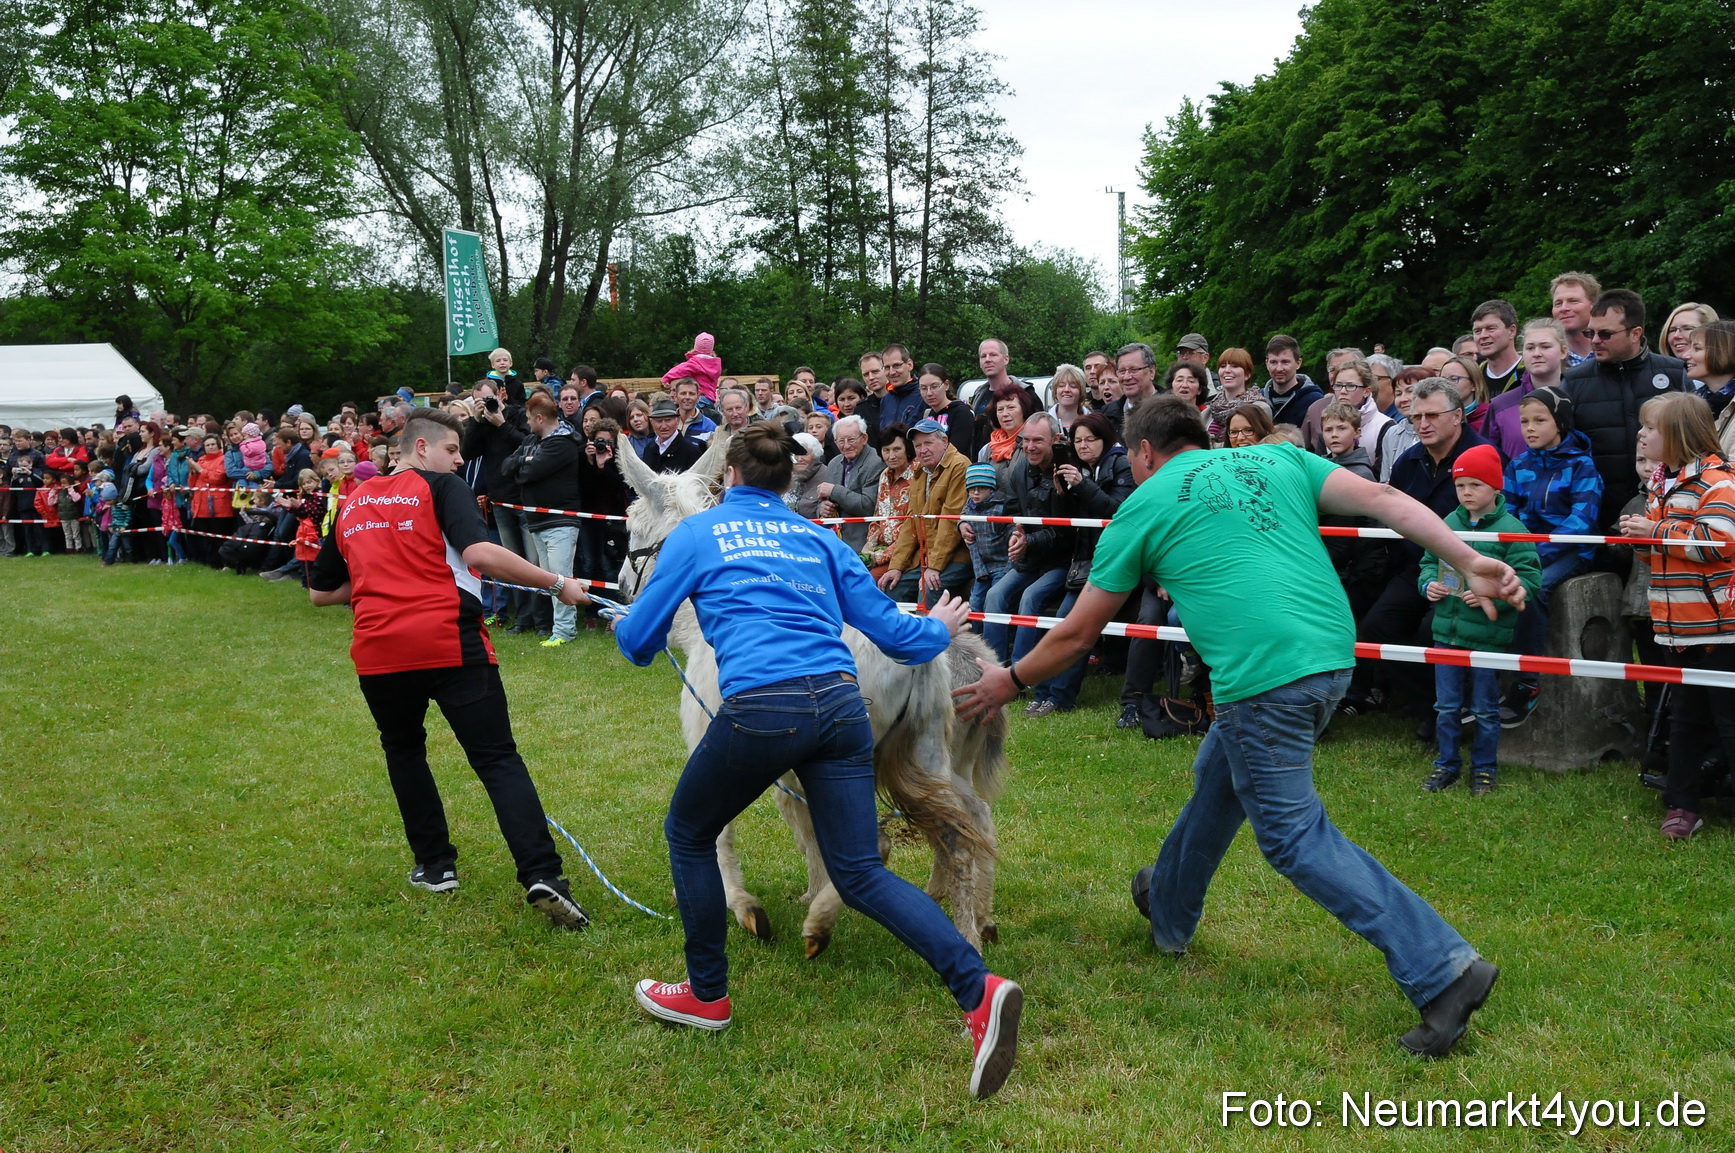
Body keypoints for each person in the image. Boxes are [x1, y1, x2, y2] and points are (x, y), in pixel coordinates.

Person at [954, 395, 1522, 1059]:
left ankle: (1443, 970)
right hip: (1329, 654)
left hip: (1265, 674)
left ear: (1141, 454)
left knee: (1292, 836)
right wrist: (1463, 557)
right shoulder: (1277, 456)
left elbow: (1079, 632)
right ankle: (1167, 903)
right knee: (1219, 773)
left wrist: (1009, 680)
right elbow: (1381, 499)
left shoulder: (1141, 503)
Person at [614, 423, 1023, 1099]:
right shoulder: (817, 538)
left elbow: (635, 641)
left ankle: (706, 995)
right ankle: (977, 990)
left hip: (762, 707)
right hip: (837, 706)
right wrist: (940, 629)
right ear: (787, 484)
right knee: (859, 870)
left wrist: (621, 619)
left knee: (687, 831)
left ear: (732, 481)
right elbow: (890, 631)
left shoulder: (696, 534)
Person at [308, 406, 593, 928]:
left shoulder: (351, 503)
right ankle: (543, 874)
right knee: (497, 759)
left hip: (378, 652)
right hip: (447, 641)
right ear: (421, 448)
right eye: (454, 450)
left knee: (404, 751)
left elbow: (321, 591)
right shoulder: (439, 486)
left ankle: (435, 867)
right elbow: (481, 555)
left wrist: (379, 579)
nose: (460, 461)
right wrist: (557, 584)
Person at [1620, 392, 1735, 839]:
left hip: (1720, 626)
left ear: (1679, 435)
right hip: (1675, 626)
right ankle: (1683, 804)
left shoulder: (1719, 482)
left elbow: (1718, 544)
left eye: (1651, 428)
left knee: (1729, 718)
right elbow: (1663, 557)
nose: (1642, 435)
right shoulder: (1662, 483)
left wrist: (1657, 532)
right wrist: (1643, 542)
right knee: (1684, 717)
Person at [1349, 378, 1493, 726]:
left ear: (1458, 415)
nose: (1422, 425)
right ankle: (1428, 705)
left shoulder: (1483, 457)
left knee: (1432, 632)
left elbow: (1495, 522)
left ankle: (1448, 709)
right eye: (1415, 417)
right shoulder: (1408, 461)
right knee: (1377, 628)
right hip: (1413, 568)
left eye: (1432, 416)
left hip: (1465, 569)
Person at [1420, 444, 1542, 794]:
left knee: (1486, 708)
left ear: (1495, 488)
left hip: (1488, 634)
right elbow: (1429, 561)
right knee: (1445, 706)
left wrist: (1496, 597)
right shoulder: (1445, 523)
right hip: (1446, 629)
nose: (1467, 492)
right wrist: (1427, 584)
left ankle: (1485, 768)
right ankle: (1446, 764)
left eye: (1475, 485)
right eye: (1461, 486)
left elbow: (1530, 580)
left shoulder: (1513, 529)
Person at [1016, 412, 1134, 716]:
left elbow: (1116, 513)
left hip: (1116, 565)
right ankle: (1042, 692)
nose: (1083, 446)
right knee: (1056, 619)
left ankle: (1059, 697)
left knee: (1070, 619)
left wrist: (1081, 485)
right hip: (1083, 564)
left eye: (1090, 440)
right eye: (1078, 440)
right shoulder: (1078, 468)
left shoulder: (1121, 465)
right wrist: (1062, 493)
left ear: (1104, 439)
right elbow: (1069, 524)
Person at [1497, 388, 1603, 725]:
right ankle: (1483, 678)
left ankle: (1527, 682)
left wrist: (1535, 552)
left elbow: (1581, 522)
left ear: (1560, 422)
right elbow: (1507, 514)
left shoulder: (1581, 466)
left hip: (1572, 552)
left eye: (1540, 420)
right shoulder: (1518, 464)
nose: (1530, 428)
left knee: (1533, 588)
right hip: (1524, 549)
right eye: (1524, 421)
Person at [1563, 288, 1690, 532]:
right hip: (1599, 517)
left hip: (1671, 515)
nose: (1595, 340)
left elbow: (1696, 446)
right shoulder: (1573, 381)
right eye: (1590, 332)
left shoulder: (1675, 373)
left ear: (1635, 334)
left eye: (1605, 333)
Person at [976, 414, 1074, 665]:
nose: (1030, 447)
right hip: (1028, 558)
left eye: (1038, 441)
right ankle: (994, 665)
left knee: (1031, 597)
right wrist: (1016, 535)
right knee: (994, 595)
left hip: (1062, 562)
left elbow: (1066, 533)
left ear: (1055, 440)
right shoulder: (1020, 469)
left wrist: (1027, 541)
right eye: (1026, 440)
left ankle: (1020, 672)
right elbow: (1010, 512)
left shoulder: (1067, 472)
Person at [506, 393, 585, 647]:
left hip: (560, 521)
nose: (527, 424)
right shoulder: (531, 440)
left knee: (561, 577)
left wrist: (523, 467)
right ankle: (558, 627)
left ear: (540, 418)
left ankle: (565, 630)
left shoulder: (562, 443)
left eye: (530, 419)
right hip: (537, 521)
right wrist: (524, 461)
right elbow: (507, 467)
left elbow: (529, 474)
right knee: (550, 578)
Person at [458, 380, 534, 631]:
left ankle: (539, 618)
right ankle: (522, 618)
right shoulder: (481, 423)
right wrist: (478, 420)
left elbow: (527, 445)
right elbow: (468, 452)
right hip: (499, 501)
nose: (488, 403)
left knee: (532, 563)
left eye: (490, 397)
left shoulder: (519, 415)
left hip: (526, 500)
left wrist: (501, 423)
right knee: (513, 565)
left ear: (501, 394)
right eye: (481, 400)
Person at [878, 419, 973, 605]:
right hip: (928, 556)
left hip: (958, 556)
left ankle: (931, 634)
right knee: (893, 588)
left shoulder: (959, 466)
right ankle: (905, 635)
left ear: (944, 442)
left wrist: (934, 567)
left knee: (930, 588)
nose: (922, 450)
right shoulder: (920, 471)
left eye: (928, 443)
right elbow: (911, 524)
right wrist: (896, 566)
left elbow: (950, 524)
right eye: (917, 445)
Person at [1483, 318, 1566, 460]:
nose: (1537, 353)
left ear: (1563, 352)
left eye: (1545, 347)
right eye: (1530, 348)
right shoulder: (1501, 405)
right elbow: (1485, 458)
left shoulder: (1582, 397)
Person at [815, 414, 884, 554]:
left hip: (863, 543)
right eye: (841, 441)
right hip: (834, 541)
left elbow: (868, 506)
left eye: (851, 440)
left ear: (864, 438)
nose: (846, 446)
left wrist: (835, 491)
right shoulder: (834, 463)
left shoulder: (876, 462)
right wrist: (822, 508)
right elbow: (823, 502)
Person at [861, 425, 913, 578]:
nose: (891, 456)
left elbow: (913, 529)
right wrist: (868, 550)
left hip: (905, 552)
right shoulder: (884, 475)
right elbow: (877, 517)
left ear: (908, 449)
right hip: (880, 550)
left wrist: (880, 556)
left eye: (897, 449)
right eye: (886, 450)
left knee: (869, 581)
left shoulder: (919, 475)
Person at [961, 462, 1012, 617]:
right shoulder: (968, 511)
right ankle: (976, 638)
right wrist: (980, 571)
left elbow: (1011, 540)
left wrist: (1009, 568)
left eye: (981, 488)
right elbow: (972, 545)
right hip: (982, 568)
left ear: (991, 489)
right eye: (972, 489)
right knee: (975, 603)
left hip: (1003, 566)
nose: (976, 493)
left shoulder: (1002, 510)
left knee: (996, 602)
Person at [916, 363, 975, 459]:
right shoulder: (925, 415)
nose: (929, 393)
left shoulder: (961, 412)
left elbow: (957, 451)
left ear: (946, 385)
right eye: (923, 388)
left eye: (934, 386)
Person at [1262, 334, 1321, 427]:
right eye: (1273, 362)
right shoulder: (1259, 399)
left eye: (1285, 362)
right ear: (1267, 364)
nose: (1279, 368)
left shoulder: (1314, 401)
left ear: (1298, 363)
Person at [1204, 348, 1259, 442]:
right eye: (1223, 366)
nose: (1227, 370)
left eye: (1235, 366)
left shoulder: (1259, 408)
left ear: (1247, 374)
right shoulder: (1208, 411)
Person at [1470, 300, 1525, 395]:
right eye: (1477, 331)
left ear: (1512, 331)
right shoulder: (1473, 379)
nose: (1483, 335)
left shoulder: (1531, 374)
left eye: (1491, 329)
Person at [643, 397, 706, 474]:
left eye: (668, 420)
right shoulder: (649, 449)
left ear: (677, 420)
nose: (663, 426)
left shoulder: (691, 451)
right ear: (652, 422)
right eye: (659, 421)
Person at [1551, 271, 1603, 366]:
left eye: (1573, 301)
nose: (1563, 308)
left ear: (1594, 305)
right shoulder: (1548, 360)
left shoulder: (1615, 353)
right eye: (1558, 303)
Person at [976, 384, 1036, 464]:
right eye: (1000, 409)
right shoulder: (987, 449)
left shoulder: (1032, 444)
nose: (1005, 414)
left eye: (1011, 407)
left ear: (1024, 410)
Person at [663, 332, 722, 402]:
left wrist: (666, 379)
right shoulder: (715, 365)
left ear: (695, 347)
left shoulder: (695, 363)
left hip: (698, 397)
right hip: (711, 399)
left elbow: (679, 370)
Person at [879, 343, 925, 432]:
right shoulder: (885, 401)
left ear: (910, 365)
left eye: (896, 365)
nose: (892, 372)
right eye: (887, 367)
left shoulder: (923, 395)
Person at [1047, 364, 1089, 431]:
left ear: (1081, 392)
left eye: (1073, 386)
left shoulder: (1093, 423)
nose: (1066, 390)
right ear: (1055, 391)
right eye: (1061, 385)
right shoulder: (1044, 423)